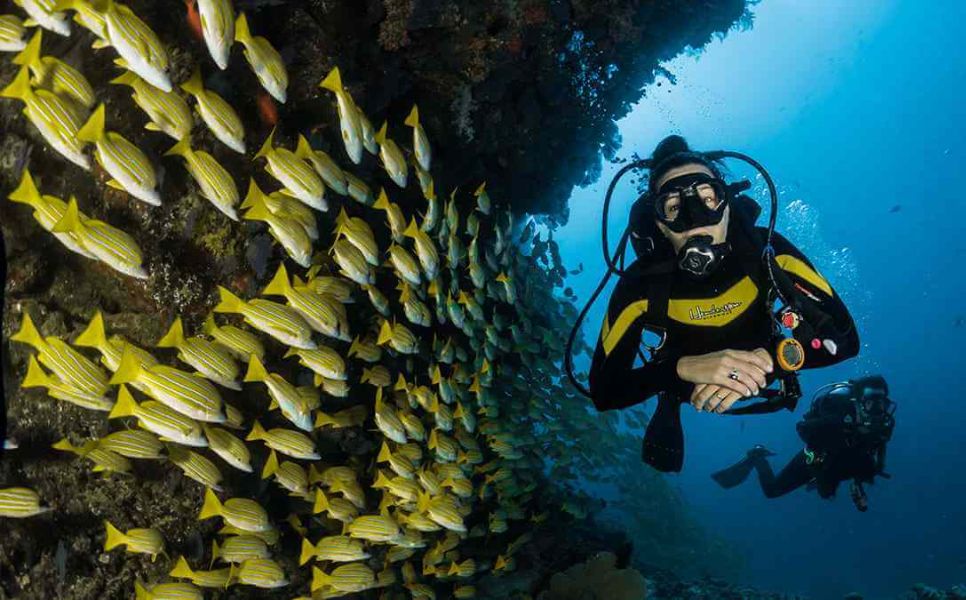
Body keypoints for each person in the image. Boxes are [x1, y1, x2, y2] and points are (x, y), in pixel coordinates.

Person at [587, 135, 860, 472]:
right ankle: (670, 399)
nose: (694, 218)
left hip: (768, 366)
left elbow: (846, 340)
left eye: (707, 198)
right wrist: (678, 370)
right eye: (673, 207)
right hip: (685, 385)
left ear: (727, 205)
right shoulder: (640, 286)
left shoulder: (768, 252)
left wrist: (774, 359)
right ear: (659, 225)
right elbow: (605, 392)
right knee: (669, 392)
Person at [712, 375, 895, 511]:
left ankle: (829, 478)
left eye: (882, 404)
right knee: (772, 491)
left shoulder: (884, 424)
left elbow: (875, 451)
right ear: (859, 402)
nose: (878, 410)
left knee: (845, 479)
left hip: (843, 462)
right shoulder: (836, 413)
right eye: (872, 403)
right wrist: (839, 431)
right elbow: (803, 428)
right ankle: (757, 456)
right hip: (816, 458)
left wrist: (859, 482)